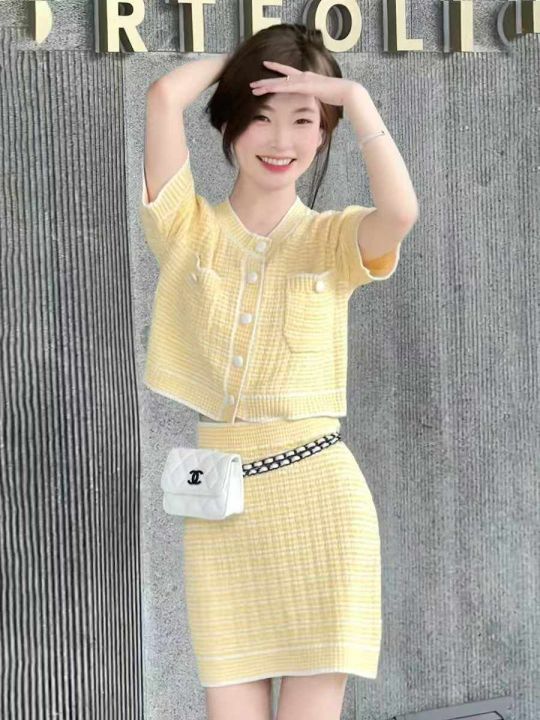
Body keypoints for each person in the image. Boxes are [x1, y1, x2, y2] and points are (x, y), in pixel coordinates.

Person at [140, 23, 418, 720]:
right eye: (261, 116)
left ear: (323, 135)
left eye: (303, 120)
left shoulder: (333, 239)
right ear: (230, 123)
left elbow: (400, 212)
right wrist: (245, 64)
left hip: (321, 501)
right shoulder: (187, 229)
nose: (280, 139)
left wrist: (355, 98)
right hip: (222, 510)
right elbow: (164, 96)